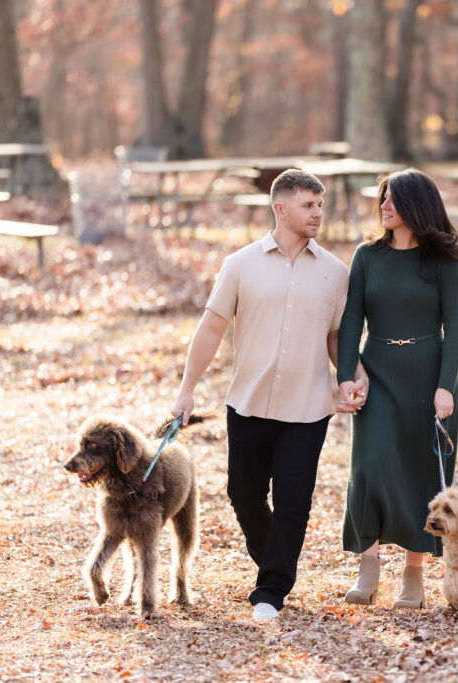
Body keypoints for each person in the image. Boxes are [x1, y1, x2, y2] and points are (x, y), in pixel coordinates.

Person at [171, 169, 367, 621]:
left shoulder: (336, 273)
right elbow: (211, 329)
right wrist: (187, 391)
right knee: (243, 494)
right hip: (249, 402)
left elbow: (338, 338)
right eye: (308, 205)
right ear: (280, 208)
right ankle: (274, 563)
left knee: (294, 501)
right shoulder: (240, 264)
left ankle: (273, 589)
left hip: (307, 407)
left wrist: (352, 379)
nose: (318, 213)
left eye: (320, 205)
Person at [336, 167, 458, 609]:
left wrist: (445, 386)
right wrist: (347, 376)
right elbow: (351, 319)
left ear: (417, 205)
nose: (384, 205)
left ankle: (414, 574)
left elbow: (457, 329)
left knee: (420, 473)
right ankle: (368, 566)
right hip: (378, 374)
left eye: (393, 199)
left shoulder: (443, 260)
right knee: (369, 465)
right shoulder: (367, 256)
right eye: (383, 198)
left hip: (429, 376)